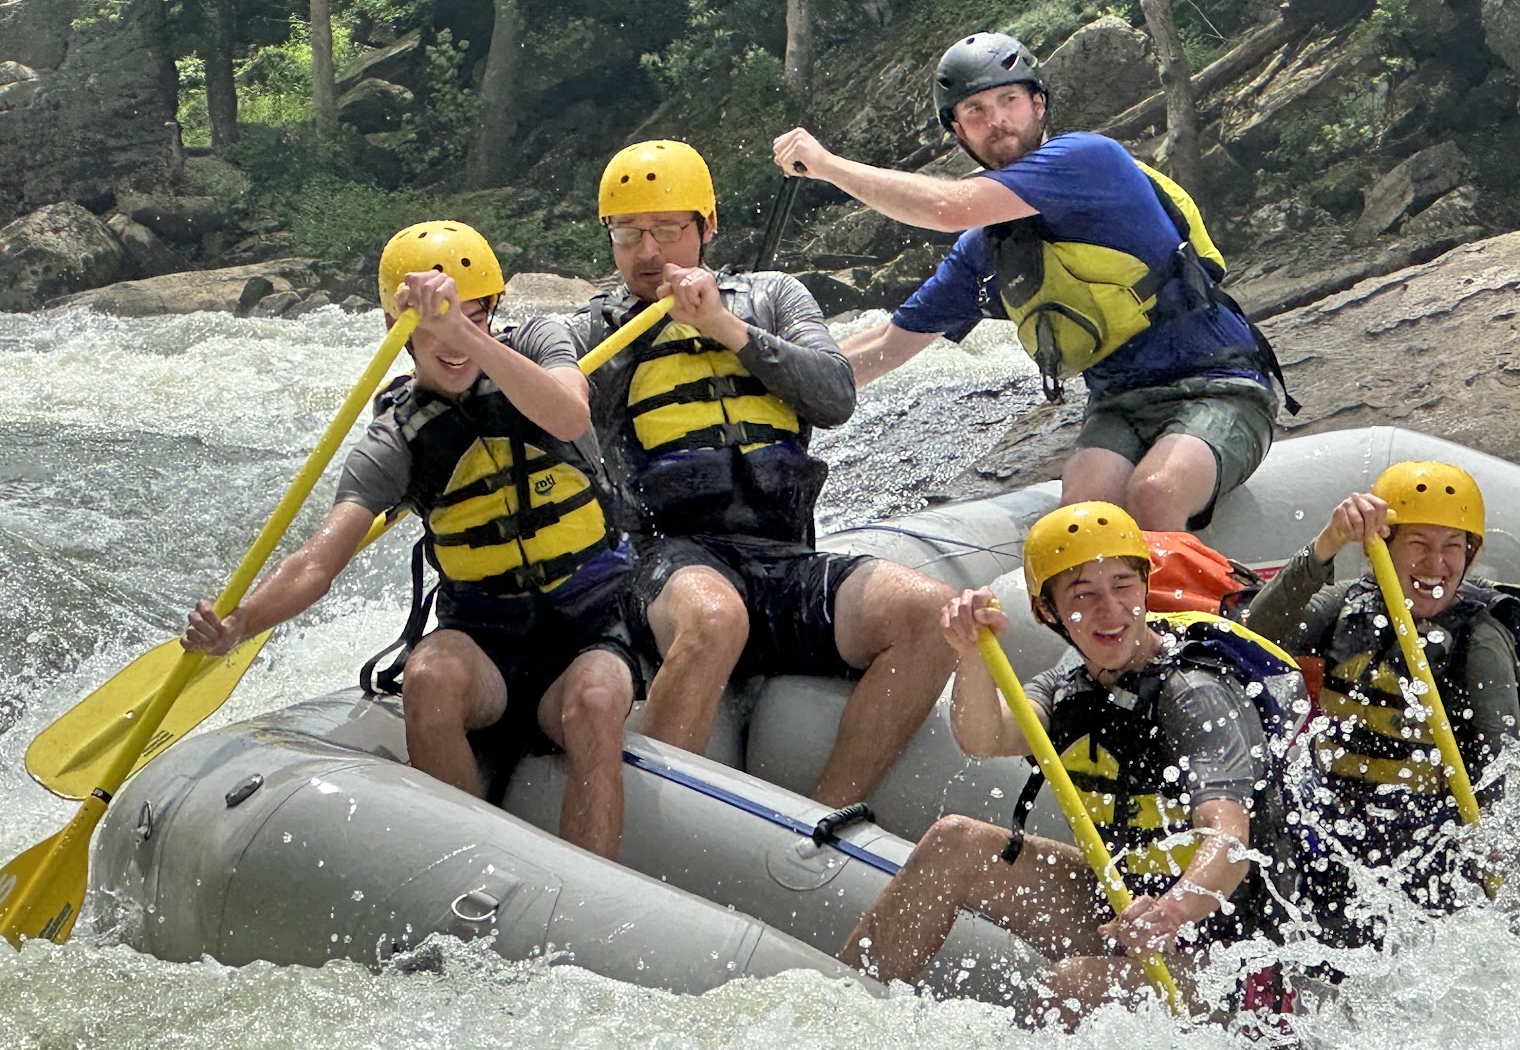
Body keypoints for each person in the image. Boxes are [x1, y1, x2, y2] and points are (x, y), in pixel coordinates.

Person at [181, 221, 641, 859]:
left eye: (474, 316)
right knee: (426, 676)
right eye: (432, 327)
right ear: (397, 331)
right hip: (486, 640)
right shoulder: (397, 437)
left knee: (593, 702)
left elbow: (567, 412)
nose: (452, 343)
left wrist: (463, 333)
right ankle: (471, 869)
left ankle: (593, 886)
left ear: (493, 311)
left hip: (591, 625)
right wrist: (237, 624)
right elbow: (319, 560)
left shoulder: (539, 341)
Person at [771, 31, 1286, 531]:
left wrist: (827, 165)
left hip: (1222, 385)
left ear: (1038, 105)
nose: (995, 120)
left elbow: (947, 206)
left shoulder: (1089, 161)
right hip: (1119, 403)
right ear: (959, 133)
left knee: (1154, 495)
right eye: (975, 111)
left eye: (1008, 100)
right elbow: (887, 343)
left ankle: (1202, 619)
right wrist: (777, 385)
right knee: (1085, 527)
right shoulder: (983, 252)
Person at [575, 139, 954, 808]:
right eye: (627, 234)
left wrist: (726, 327)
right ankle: (654, 830)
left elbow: (834, 393)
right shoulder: (590, 331)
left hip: (780, 562)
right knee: (714, 617)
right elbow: (531, 398)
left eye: (666, 230)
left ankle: (826, 816)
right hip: (665, 565)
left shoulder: (772, 296)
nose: (647, 252)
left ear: (706, 229)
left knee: (927, 615)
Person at [839, 502, 1302, 1026]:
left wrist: (1172, 912)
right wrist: (968, 652)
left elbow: (1231, 838)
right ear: (1049, 613)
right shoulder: (1071, 682)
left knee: (1069, 987)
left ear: (1145, 588)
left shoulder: (1195, 694)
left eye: (1123, 585)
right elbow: (986, 737)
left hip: (1233, 954)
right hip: (1124, 906)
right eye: (1084, 594)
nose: (1110, 609)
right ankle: (844, 1019)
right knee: (954, 843)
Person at [1240, 460, 1520, 948]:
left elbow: (1500, 759)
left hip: (1426, 840)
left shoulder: (1480, 637)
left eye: (1453, 547)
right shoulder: (1348, 606)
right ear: (1382, 547)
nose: (1437, 564)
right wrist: (1327, 544)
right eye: (1419, 544)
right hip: (1330, 825)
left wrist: (1492, 844)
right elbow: (1256, 636)